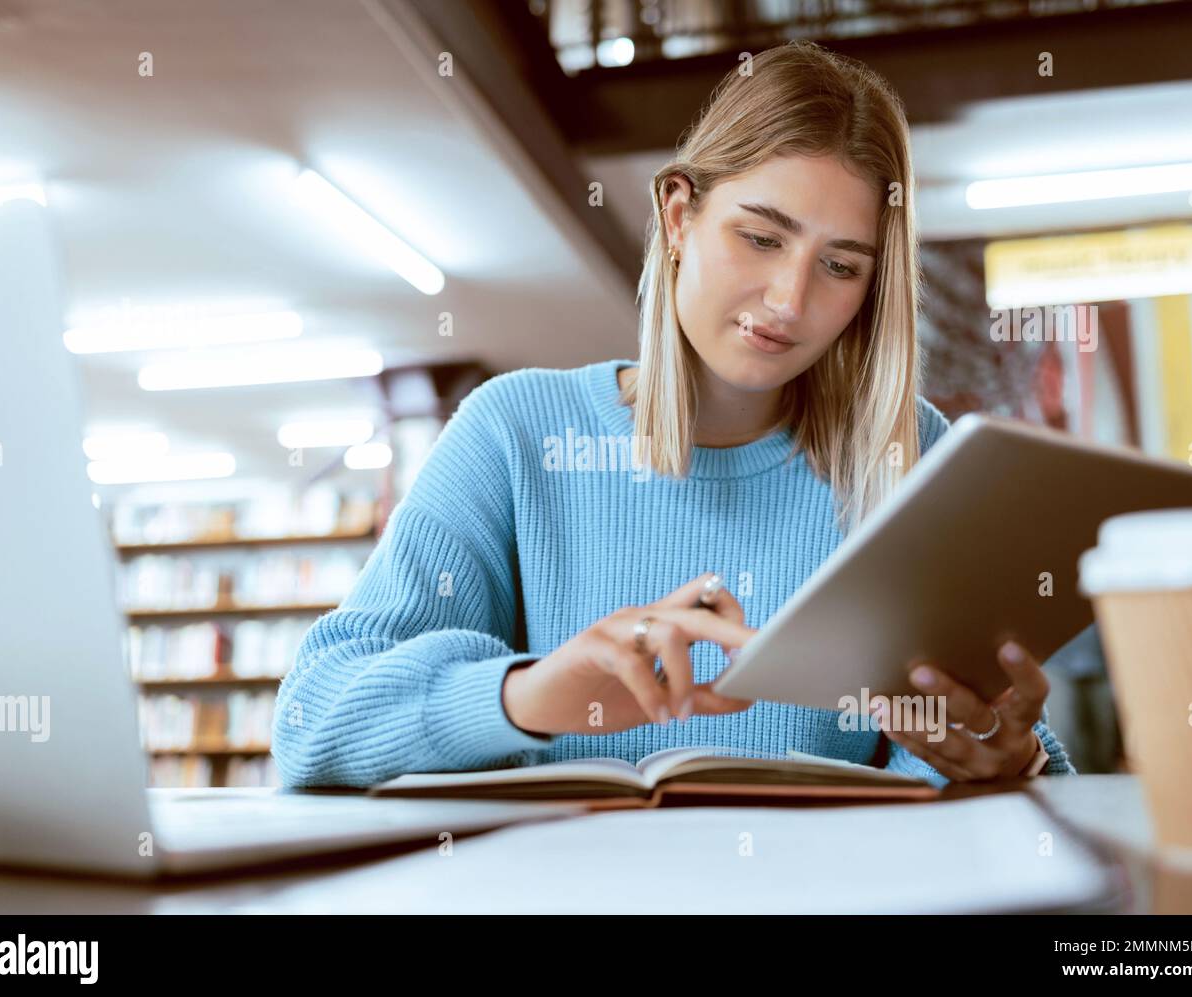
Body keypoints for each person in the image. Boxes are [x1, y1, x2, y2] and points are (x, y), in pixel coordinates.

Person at [272, 40, 1074, 788]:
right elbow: (310, 725)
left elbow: (1000, 768)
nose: (789, 301)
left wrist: (1012, 759)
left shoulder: (910, 459)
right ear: (679, 215)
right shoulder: (515, 431)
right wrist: (532, 695)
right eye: (761, 238)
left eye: (839, 266)